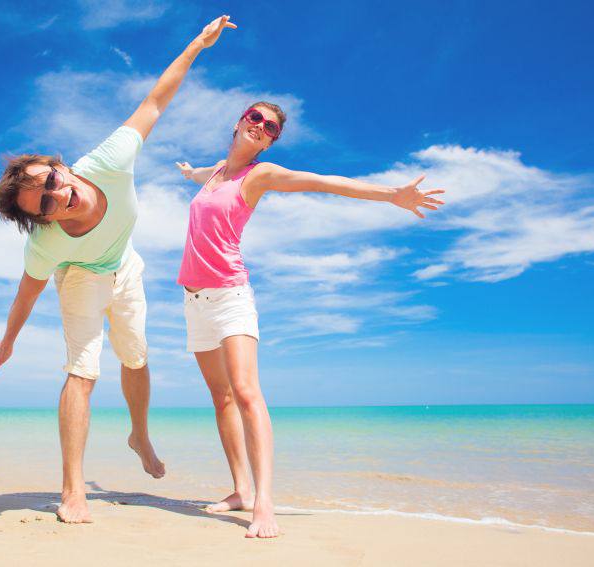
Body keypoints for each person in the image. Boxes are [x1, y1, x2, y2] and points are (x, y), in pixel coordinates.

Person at [0, 16, 237, 524]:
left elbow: (154, 102)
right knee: (82, 372)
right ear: (40, 219)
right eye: (46, 203)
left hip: (125, 266)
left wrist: (196, 43)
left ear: (58, 165)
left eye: (52, 179)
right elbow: (26, 294)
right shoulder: (47, 244)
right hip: (81, 276)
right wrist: (9, 339)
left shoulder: (106, 160)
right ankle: (73, 490)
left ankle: (139, 434)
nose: (60, 194)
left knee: (136, 357)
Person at [175, 102, 445, 537]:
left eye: (272, 128)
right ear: (240, 120)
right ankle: (240, 489)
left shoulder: (259, 175)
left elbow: (324, 182)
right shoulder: (217, 171)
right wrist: (190, 171)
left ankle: (264, 503)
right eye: (256, 118)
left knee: (246, 393)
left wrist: (391, 194)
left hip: (229, 296)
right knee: (220, 398)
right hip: (193, 301)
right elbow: (201, 171)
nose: (261, 128)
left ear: (272, 140)